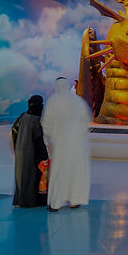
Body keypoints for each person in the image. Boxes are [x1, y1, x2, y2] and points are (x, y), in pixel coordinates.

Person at [41, 77, 93, 211]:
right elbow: (86, 120)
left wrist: (48, 141)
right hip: (77, 144)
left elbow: (46, 125)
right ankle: (75, 200)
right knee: (76, 172)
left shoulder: (53, 102)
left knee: (59, 172)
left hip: (61, 144)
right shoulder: (78, 101)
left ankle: (55, 202)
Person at [12, 95, 49, 208]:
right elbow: (39, 141)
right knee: (32, 176)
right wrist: (44, 157)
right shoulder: (36, 120)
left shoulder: (22, 116)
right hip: (31, 153)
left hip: (20, 151)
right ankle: (31, 201)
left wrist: (17, 146)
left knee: (21, 176)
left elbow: (14, 130)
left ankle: (20, 199)